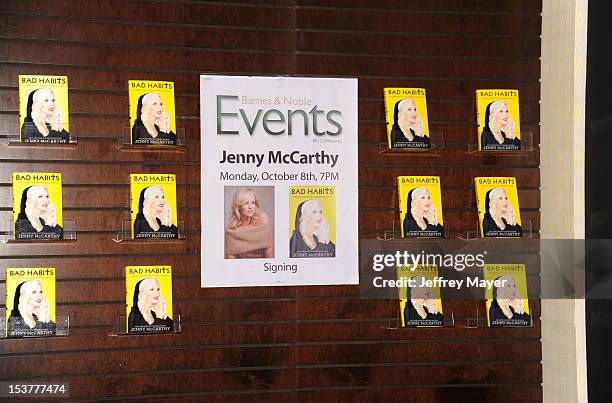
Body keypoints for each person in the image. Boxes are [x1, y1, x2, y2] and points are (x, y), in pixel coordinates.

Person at [225, 188, 273, 259]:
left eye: (253, 203)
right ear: (239, 206)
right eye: (246, 203)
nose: (250, 207)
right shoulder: (232, 231)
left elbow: (269, 250)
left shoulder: (263, 219)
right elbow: (231, 261)